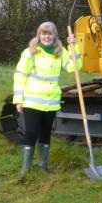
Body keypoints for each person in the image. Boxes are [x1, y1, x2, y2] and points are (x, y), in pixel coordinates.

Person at [13, 21, 82, 180]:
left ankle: (43, 167)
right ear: (39, 35)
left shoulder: (60, 51)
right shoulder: (30, 52)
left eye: (49, 34)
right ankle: (25, 169)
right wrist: (18, 99)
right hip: (32, 100)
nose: (46, 36)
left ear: (54, 35)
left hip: (51, 102)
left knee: (45, 134)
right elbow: (20, 75)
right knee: (31, 133)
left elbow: (74, 68)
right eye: (43, 33)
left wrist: (74, 48)